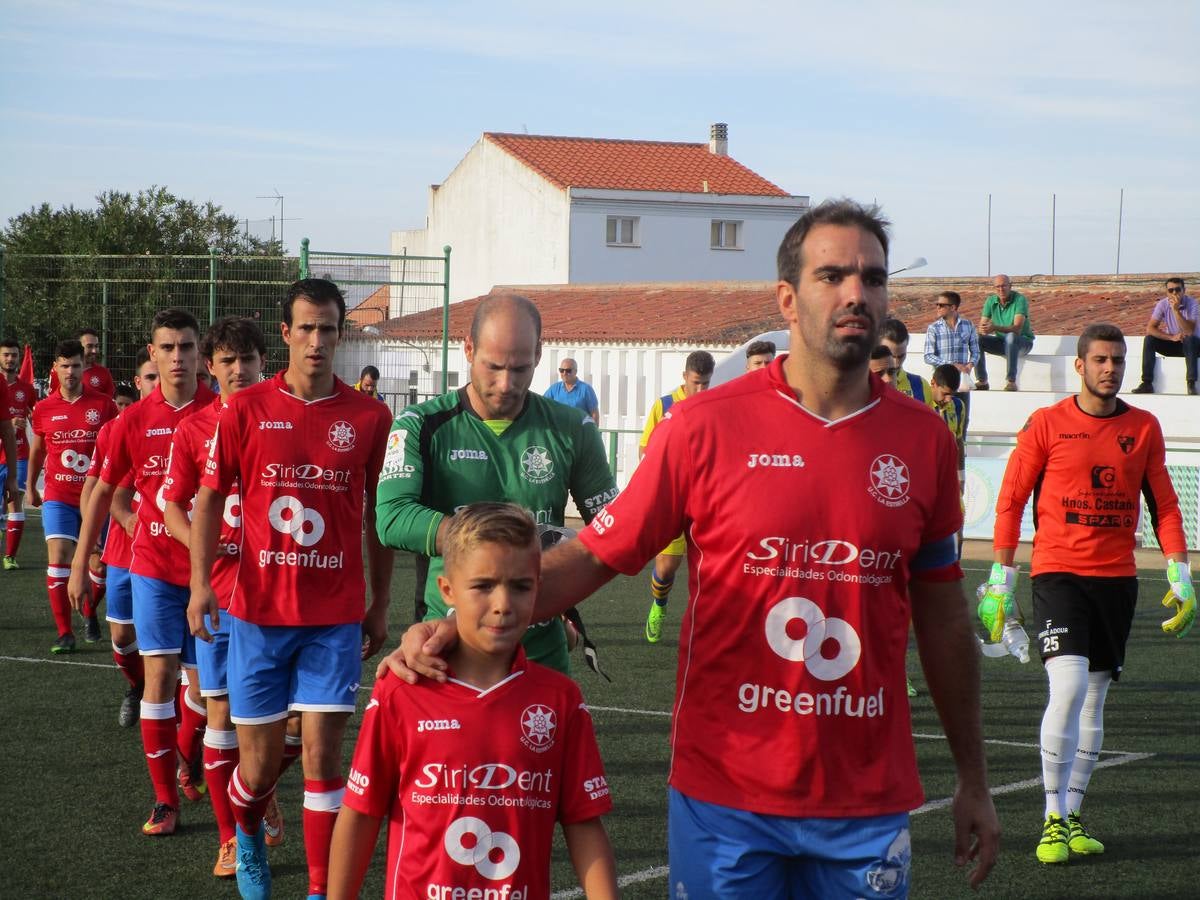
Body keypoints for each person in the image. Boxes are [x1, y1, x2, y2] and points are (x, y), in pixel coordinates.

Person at [386, 199, 1000, 895]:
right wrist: (454, 630)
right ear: (787, 298)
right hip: (725, 795)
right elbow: (592, 556)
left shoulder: (922, 440)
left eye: (872, 277)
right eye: (832, 275)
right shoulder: (704, 428)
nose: (856, 293)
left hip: (866, 802)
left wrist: (973, 777)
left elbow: (945, 616)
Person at [188, 278, 395, 900]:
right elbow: (207, 500)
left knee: (324, 760)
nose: (316, 341)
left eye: (328, 328)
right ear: (285, 334)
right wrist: (201, 585)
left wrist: (379, 601)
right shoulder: (245, 408)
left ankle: (317, 888)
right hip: (255, 614)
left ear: (341, 334)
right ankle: (246, 831)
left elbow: (377, 517)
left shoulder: (369, 416)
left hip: (333, 616)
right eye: (305, 328)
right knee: (255, 768)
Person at [327, 502, 618, 900]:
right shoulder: (402, 691)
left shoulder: (560, 701)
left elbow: (583, 824)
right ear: (447, 589)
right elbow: (361, 813)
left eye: (520, 586)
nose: (502, 604)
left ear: (539, 587)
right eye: (483, 585)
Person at [988, 322, 1192, 865]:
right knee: (1071, 685)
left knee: (1095, 698)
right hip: (1058, 573)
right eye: (1100, 360)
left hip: (1118, 578)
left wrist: (1179, 570)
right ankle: (1051, 816)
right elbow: (1009, 502)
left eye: (1118, 361)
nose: (1110, 369)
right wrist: (999, 579)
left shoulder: (1144, 426)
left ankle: (1074, 815)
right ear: (1079, 365)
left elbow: (1165, 506)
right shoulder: (1047, 424)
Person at [375, 294, 618, 672]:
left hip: (541, 657)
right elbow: (391, 517)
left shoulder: (573, 429)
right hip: (446, 650)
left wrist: (558, 592)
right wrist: (494, 543)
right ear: (468, 349)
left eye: (520, 369)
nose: (506, 384)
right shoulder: (419, 425)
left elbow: (614, 530)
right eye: (494, 367)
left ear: (539, 354)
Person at [67, 309, 215, 839]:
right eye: (168, 347)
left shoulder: (224, 412)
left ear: (201, 354)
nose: (178, 357)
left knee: (204, 690)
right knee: (160, 676)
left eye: (188, 347)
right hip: (152, 565)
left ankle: (187, 759)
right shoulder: (130, 422)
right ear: (152, 354)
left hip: (211, 571)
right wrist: (83, 562)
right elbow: (104, 494)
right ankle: (164, 800)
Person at [161, 316, 267, 879]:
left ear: (261, 362)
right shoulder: (194, 429)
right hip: (226, 596)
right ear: (212, 367)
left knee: (291, 724)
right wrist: (208, 547)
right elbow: (172, 505)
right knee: (221, 712)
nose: (237, 369)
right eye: (227, 361)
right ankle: (231, 838)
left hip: (286, 598)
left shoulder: (281, 415)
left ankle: (257, 787)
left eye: (246, 359)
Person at [27, 339, 119, 652]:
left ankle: (90, 612)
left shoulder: (104, 405)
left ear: (84, 367)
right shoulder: (44, 408)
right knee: (59, 558)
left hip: (96, 497)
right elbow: (38, 450)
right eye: (64, 365)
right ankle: (65, 632)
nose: (70, 371)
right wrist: (29, 486)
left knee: (100, 565)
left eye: (76, 365)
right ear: (55, 368)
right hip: (58, 495)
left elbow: (113, 451)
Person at [79, 379, 143, 726]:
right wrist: (87, 549)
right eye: (148, 377)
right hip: (123, 547)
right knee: (121, 635)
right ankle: (137, 686)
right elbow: (96, 488)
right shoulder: (113, 431)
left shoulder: (194, 421)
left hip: (171, 553)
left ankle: (185, 760)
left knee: (175, 657)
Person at [640, 350, 714, 644]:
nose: (700, 390)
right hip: (673, 501)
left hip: (706, 502)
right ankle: (659, 606)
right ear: (684, 377)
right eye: (696, 382)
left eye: (706, 383)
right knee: (666, 568)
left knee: (711, 570)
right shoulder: (665, 405)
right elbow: (646, 450)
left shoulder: (714, 405)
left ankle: (706, 626)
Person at [1, 338, 37, 569]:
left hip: (20, 453)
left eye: (14, 355)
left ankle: (10, 557)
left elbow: (38, 415)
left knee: (16, 501)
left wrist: (32, 421)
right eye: (6, 354)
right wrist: (7, 423)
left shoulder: (27, 389)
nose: (10, 359)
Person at [1130, 277, 1199, 395]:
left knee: (1190, 339)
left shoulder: (1192, 304)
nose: (1174, 293)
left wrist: (1176, 311)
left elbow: (1189, 331)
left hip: (1193, 347)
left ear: (1184, 290)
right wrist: (1171, 337)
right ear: (1167, 292)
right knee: (1149, 340)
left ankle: (1191, 383)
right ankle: (1147, 383)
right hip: (1175, 343)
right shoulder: (1162, 304)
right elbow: (1150, 328)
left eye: (1178, 290)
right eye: (1171, 290)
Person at [976, 275, 1034, 391]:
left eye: (1004, 286)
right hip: (1002, 342)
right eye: (997, 287)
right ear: (994, 288)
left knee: (1011, 337)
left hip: (1022, 342)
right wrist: (983, 329)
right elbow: (982, 325)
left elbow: (1017, 328)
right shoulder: (990, 301)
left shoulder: (1019, 300)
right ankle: (982, 380)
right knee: (977, 339)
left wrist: (994, 328)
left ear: (1010, 286)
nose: (1001, 289)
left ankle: (1011, 381)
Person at [878, 319, 935, 408]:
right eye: (891, 356)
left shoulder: (921, 386)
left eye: (901, 356)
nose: (896, 363)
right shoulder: (862, 386)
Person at [49, 327, 116, 397]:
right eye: (89, 346)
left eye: (96, 346)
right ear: (78, 347)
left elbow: (110, 403)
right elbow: (53, 401)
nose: (94, 351)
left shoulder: (103, 373)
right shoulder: (59, 371)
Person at [544, 356, 600, 424]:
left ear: (575, 372)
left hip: (579, 432)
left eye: (568, 370)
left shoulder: (586, 389)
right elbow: (543, 405)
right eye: (561, 370)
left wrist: (592, 432)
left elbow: (594, 414)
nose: (564, 373)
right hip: (560, 432)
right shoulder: (554, 389)